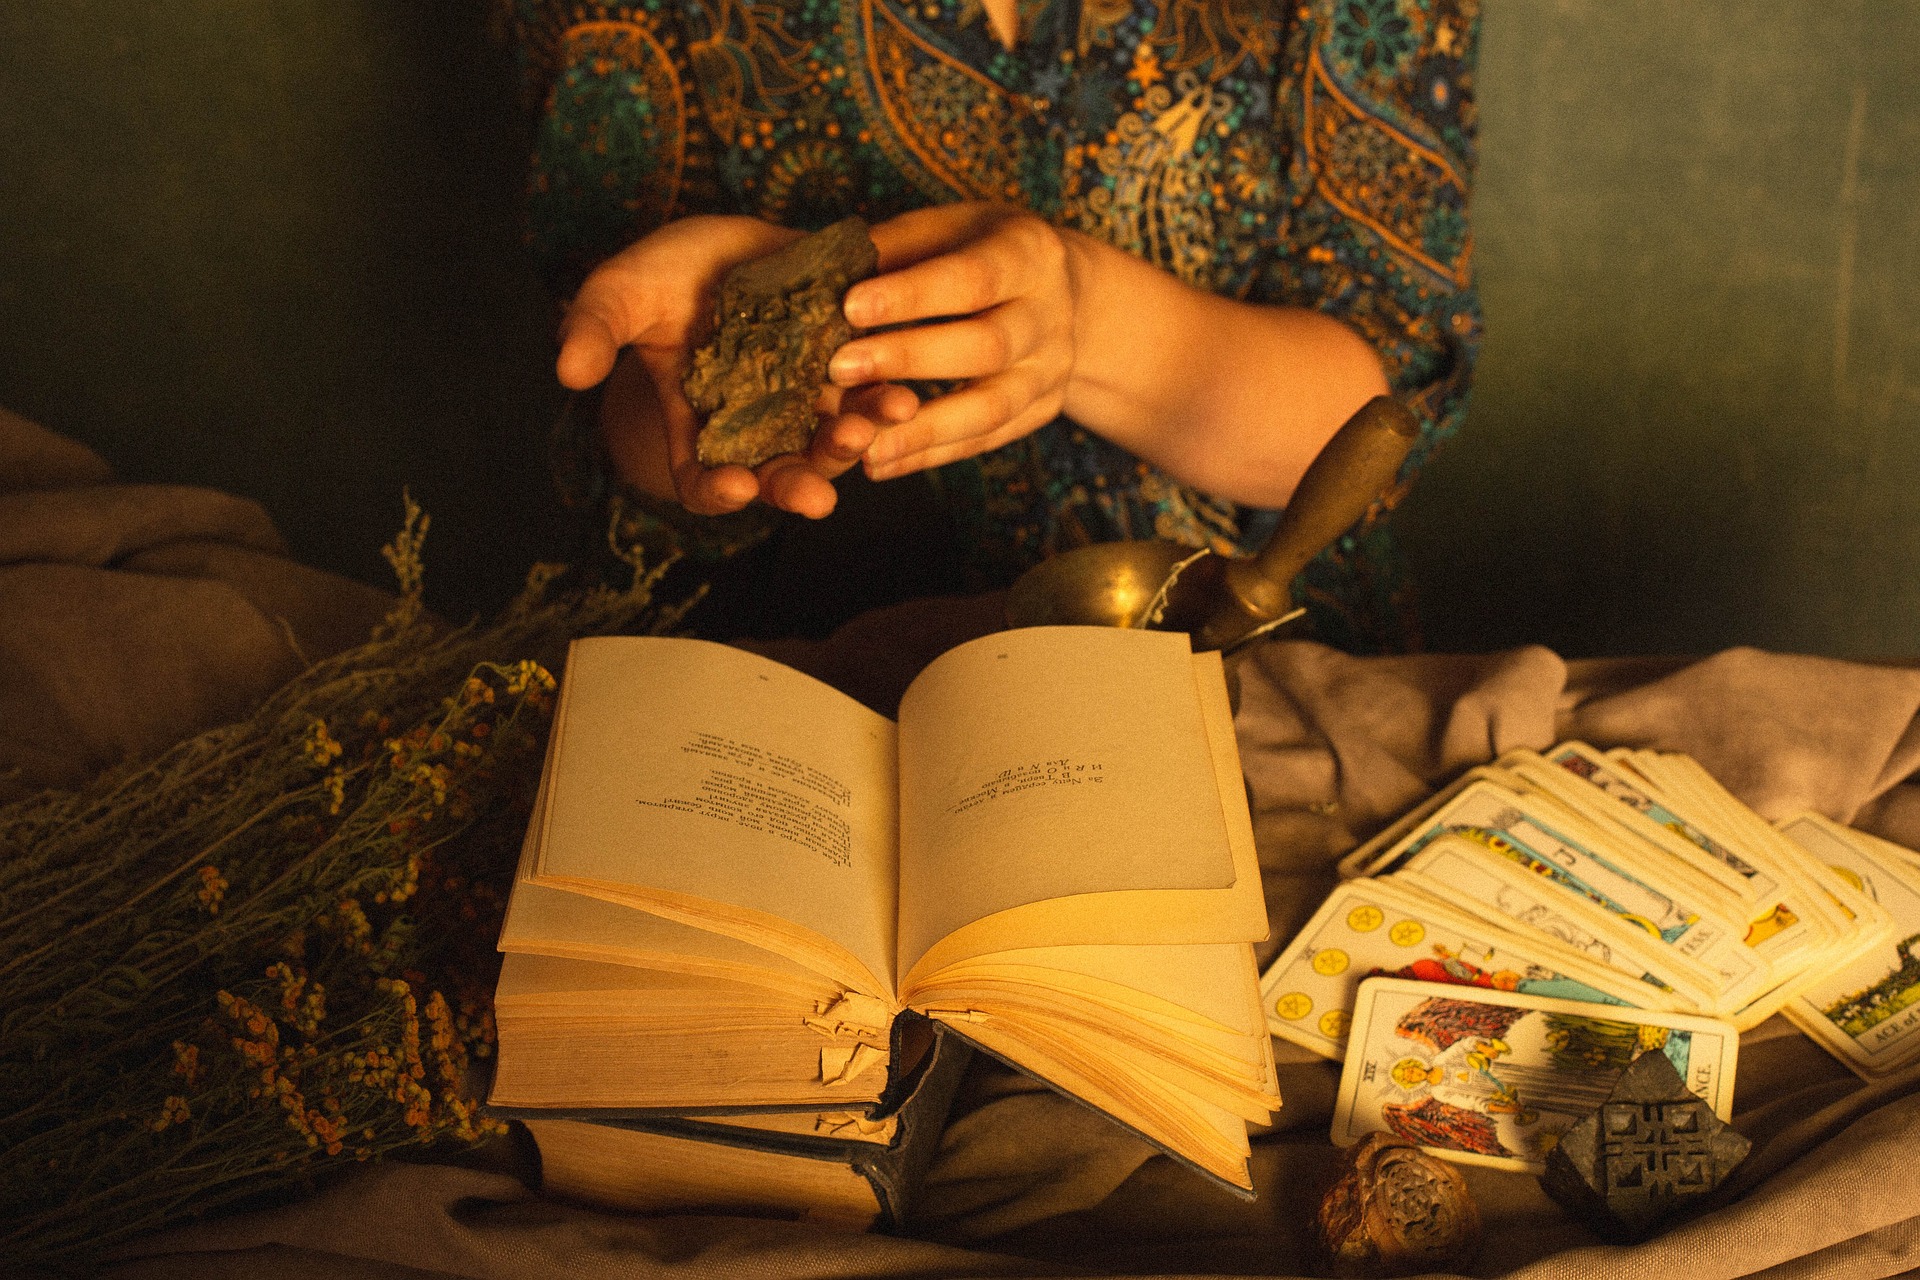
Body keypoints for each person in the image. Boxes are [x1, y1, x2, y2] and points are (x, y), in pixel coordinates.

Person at [496, 0, 1479, 650]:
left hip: (1244, 668)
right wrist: (701, 399)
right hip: (798, 688)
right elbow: (625, 396)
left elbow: (1376, 419)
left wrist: (1087, 323)